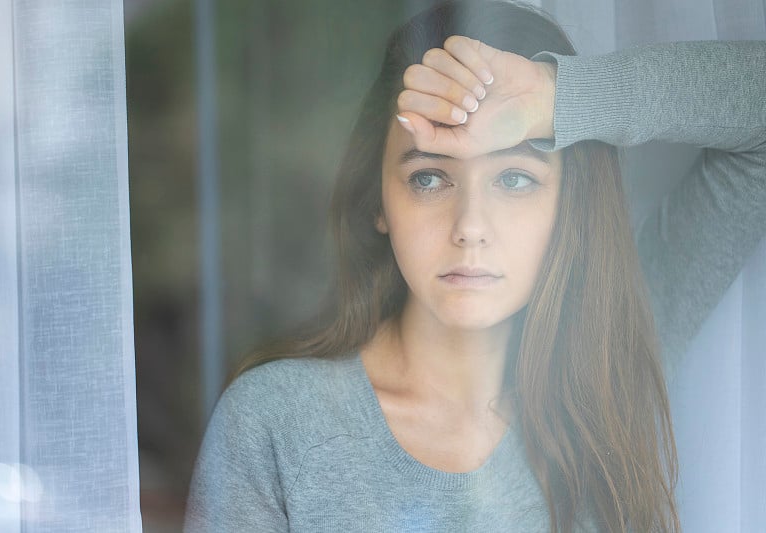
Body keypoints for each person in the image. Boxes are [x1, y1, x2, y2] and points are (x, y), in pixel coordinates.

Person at [185, 1, 766, 531]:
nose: (470, 226)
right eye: (429, 177)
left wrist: (559, 97)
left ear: (570, 206)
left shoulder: (615, 368)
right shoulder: (274, 426)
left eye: (514, 178)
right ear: (377, 200)